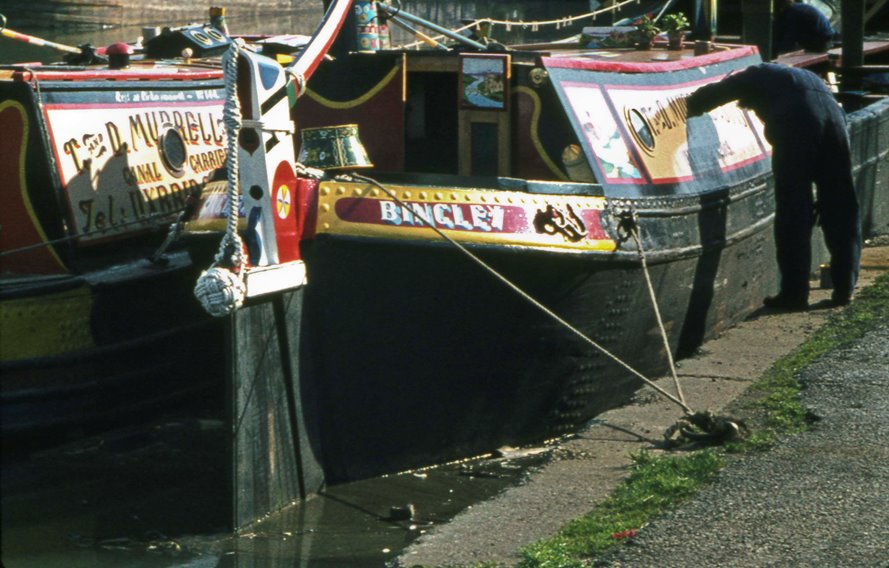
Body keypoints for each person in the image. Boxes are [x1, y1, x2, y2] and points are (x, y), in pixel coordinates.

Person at [686, 62, 861, 310]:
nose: (750, 108)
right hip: (835, 123)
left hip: (796, 126)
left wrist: (687, 107)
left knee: (793, 211)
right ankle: (845, 288)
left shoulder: (754, 74)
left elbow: (714, 94)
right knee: (841, 206)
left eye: (748, 104)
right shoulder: (802, 75)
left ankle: (794, 294)